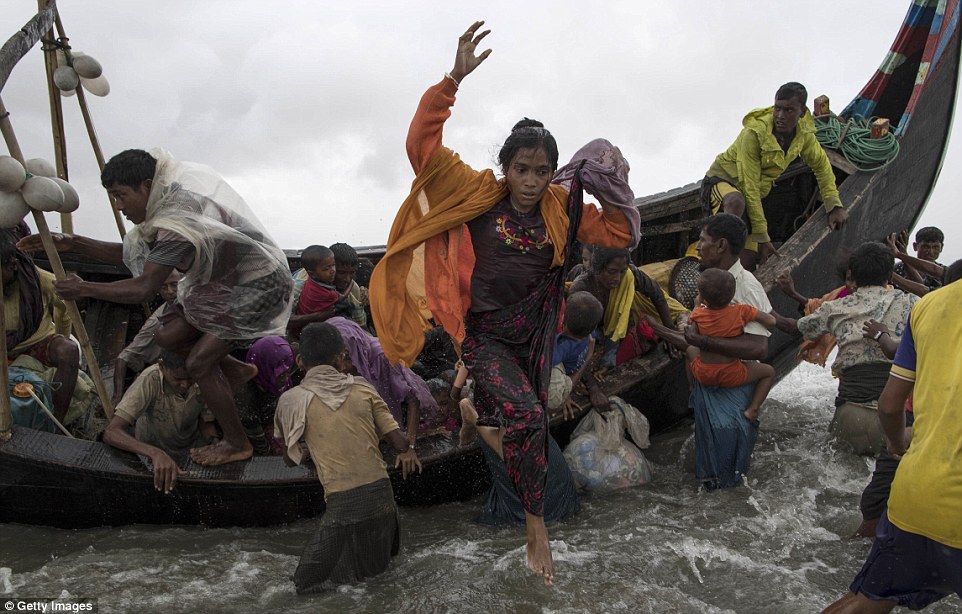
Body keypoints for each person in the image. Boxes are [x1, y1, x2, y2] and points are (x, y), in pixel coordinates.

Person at [369, 21, 640, 585]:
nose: (532, 181)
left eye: (544, 171)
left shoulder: (563, 207)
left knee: (515, 417)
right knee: (528, 415)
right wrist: (452, 81)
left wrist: (607, 177)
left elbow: (618, 233)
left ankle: (506, 473)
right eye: (523, 169)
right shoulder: (476, 193)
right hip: (486, 333)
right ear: (506, 165)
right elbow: (422, 145)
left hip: (535, 335)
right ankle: (535, 527)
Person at [18, 148, 293, 465]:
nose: (119, 207)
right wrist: (74, 242)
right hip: (225, 285)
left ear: (147, 186)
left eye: (122, 196)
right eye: (113, 199)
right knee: (167, 337)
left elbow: (144, 287)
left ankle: (236, 442)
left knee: (200, 363)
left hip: (259, 285)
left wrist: (85, 289)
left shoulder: (176, 221)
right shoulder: (167, 204)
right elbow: (134, 255)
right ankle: (238, 369)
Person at [821, 267, 962, 614]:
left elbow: (889, 404)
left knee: (864, 602)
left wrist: (899, 444)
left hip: (918, 495)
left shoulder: (930, 304)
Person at [273, 322, 421, 594]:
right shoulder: (363, 388)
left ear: (300, 361)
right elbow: (400, 443)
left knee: (303, 587)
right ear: (341, 358)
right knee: (378, 581)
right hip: (382, 497)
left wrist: (308, 450)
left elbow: (289, 460)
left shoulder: (291, 401)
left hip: (343, 505)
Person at [782, 241, 918, 456]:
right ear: (890, 275)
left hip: (851, 414)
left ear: (851, 275)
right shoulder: (914, 304)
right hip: (899, 419)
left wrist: (764, 314)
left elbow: (797, 327)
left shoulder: (835, 307)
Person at [704, 82, 847, 268]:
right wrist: (763, 238)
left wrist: (833, 205)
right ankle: (713, 261)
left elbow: (822, 166)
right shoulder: (754, 134)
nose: (780, 116)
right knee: (736, 202)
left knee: (746, 265)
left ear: (802, 113)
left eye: (788, 110)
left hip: (753, 197)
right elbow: (750, 187)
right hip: (723, 182)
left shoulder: (804, 135)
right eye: (777, 109)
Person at [679, 214, 772, 489]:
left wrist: (704, 343)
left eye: (703, 241)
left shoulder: (745, 287)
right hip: (713, 381)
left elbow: (759, 347)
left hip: (732, 388)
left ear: (720, 246)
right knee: (712, 475)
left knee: (726, 477)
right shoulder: (712, 284)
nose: (698, 247)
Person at [649, 268, 776, 422]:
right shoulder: (742, 311)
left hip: (703, 373)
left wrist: (699, 305)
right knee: (768, 372)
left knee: (690, 351)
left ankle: (692, 388)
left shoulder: (698, 314)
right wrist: (753, 318)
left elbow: (691, 330)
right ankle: (753, 409)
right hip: (731, 374)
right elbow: (771, 321)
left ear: (704, 300)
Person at [102, 351, 216, 494]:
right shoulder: (149, 379)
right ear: (162, 366)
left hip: (191, 453)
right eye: (178, 378)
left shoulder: (202, 376)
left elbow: (205, 421)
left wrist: (214, 443)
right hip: (149, 457)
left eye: (190, 379)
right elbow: (111, 432)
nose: (185, 385)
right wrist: (155, 453)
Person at [570, 246, 686, 368]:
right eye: (611, 272)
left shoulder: (629, 276)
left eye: (622, 272)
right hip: (591, 332)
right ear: (597, 269)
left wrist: (670, 332)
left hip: (618, 331)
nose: (618, 278)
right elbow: (573, 332)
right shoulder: (581, 287)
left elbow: (657, 294)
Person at [327, 316, 440, 442]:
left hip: (399, 416)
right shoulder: (334, 362)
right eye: (336, 359)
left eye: (347, 357)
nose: (341, 367)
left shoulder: (382, 357)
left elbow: (413, 400)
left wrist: (410, 445)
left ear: (355, 349)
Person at [2, 239, 79, 422]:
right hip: (3, 346)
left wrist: (62, 334)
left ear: (12, 266)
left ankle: (56, 421)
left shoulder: (39, 279)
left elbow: (64, 307)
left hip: (37, 341)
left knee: (69, 350)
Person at [113, 269, 182, 406]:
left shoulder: (195, 303)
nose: (170, 291)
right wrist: (116, 396)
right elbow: (123, 357)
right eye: (164, 287)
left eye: (174, 285)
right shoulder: (157, 320)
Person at [548, 291, 603, 419]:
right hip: (575, 368)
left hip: (568, 375)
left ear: (563, 319)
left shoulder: (561, 347)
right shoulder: (591, 335)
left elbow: (547, 363)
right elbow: (598, 336)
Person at [235, 336, 294, 455]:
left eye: (288, 372)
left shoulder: (282, 366)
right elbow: (260, 446)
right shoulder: (246, 398)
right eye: (281, 375)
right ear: (265, 369)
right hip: (260, 433)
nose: (287, 378)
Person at [288, 245, 340, 338]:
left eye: (333, 265)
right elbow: (342, 298)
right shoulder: (327, 294)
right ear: (312, 273)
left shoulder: (310, 281)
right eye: (326, 269)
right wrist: (350, 285)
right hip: (310, 334)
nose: (333, 271)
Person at [889, 227, 946, 296]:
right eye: (925, 247)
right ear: (915, 246)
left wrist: (902, 255)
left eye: (936, 247)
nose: (931, 252)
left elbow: (924, 292)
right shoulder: (898, 268)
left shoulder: (943, 274)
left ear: (941, 248)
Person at [330, 242, 370, 329]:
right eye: (341, 272)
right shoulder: (306, 281)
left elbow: (361, 327)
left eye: (352, 272)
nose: (347, 279)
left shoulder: (354, 289)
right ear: (330, 267)